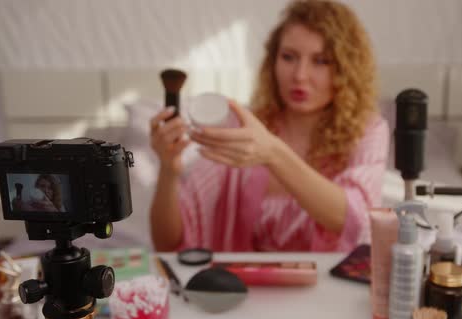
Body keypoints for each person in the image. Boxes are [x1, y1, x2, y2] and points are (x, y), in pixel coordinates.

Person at [149, 0, 389, 252]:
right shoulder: (243, 128)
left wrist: (274, 153)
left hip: (332, 289)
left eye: (320, 61)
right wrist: (168, 171)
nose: (299, 75)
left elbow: (358, 220)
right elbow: (168, 243)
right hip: (242, 288)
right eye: (288, 57)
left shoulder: (368, 131)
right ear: (272, 62)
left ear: (346, 69)